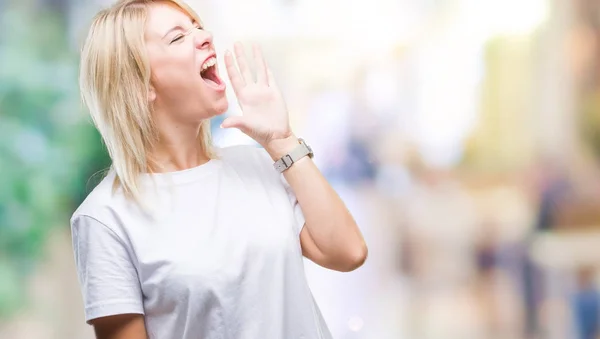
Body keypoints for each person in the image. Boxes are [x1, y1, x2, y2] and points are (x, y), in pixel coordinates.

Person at [70, 0, 368, 338]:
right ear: (142, 86)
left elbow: (348, 252)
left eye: (197, 26)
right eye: (177, 37)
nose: (205, 36)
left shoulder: (259, 164)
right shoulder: (105, 217)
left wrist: (282, 140)